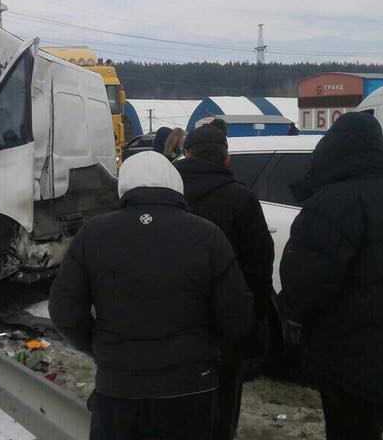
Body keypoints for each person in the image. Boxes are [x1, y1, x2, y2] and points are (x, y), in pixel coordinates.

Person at [50, 151, 253, 440]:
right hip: (189, 386)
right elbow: (238, 314)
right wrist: (207, 351)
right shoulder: (208, 236)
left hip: (118, 387)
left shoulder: (93, 234)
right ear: (175, 185)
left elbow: (64, 309)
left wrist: (98, 347)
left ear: (124, 188)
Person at [279, 112, 383, 440]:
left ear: (334, 150)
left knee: (345, 427)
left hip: (343, 349)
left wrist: (289, 318)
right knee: (368, 427)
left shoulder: (333, 202)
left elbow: (306, 280)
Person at [174, 118, 274, 440]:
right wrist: (253, 319)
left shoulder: (168, 197)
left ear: (187, 154)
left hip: (173, 325)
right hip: (226, 328)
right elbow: (259, 267)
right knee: (223, 406)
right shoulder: (242, 200)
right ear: (226, 157)